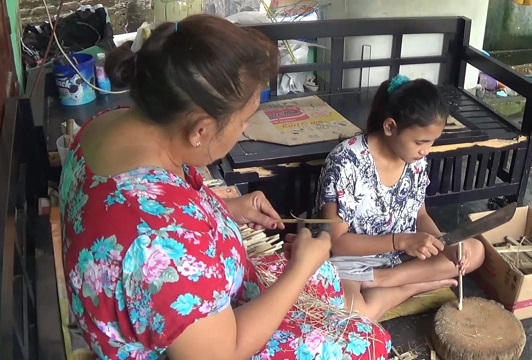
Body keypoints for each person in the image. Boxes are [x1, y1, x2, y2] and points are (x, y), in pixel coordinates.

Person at [60, 15, 391, 360]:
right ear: (200, 130)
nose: (247, 127)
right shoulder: (161, 242)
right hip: (203, 344)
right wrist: (298, 271)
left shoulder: (107, 126)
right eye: (245, 119)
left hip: (184, 304)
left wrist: (225, 210)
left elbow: (154, 200)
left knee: (321, 272)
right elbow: (223, 353)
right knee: (368, 342)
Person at [314, 75, 486, 322]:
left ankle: (383, 280)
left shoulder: (416, 161)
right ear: (390, 127)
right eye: (420, 142)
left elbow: (420, 214)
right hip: (351, 262)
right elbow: (337, 242)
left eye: (432, 142)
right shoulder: (346, 162)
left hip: (402, 257)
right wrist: (401, 241)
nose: (426, 150)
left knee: (474, 251)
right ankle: (415, 286)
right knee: (354, 314)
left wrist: (445, 244)